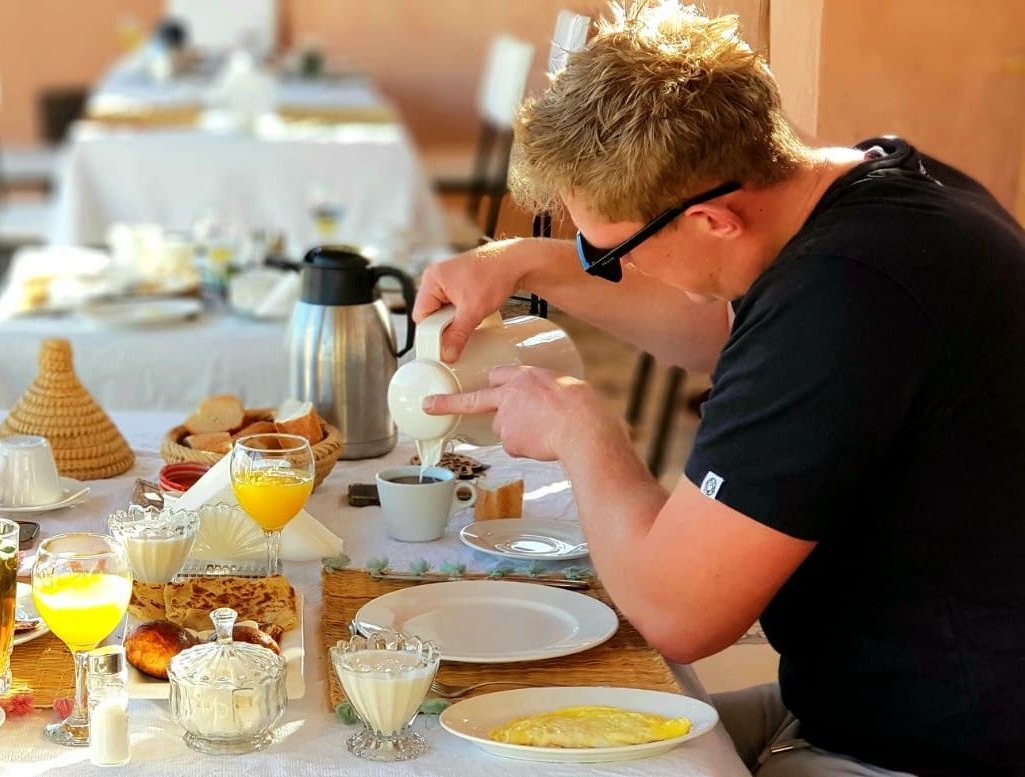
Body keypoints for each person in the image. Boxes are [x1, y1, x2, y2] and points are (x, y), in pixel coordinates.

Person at [415, 3, 1024, 776]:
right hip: (860, 695)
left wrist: (581, 431)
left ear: (712, 219)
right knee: (481, 736)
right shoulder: (864, 195)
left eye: (607, 254)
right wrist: (523, 262)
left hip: (928, 743)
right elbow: (716, 328)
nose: (600, 267)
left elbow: (677, 609)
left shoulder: (844, 303)